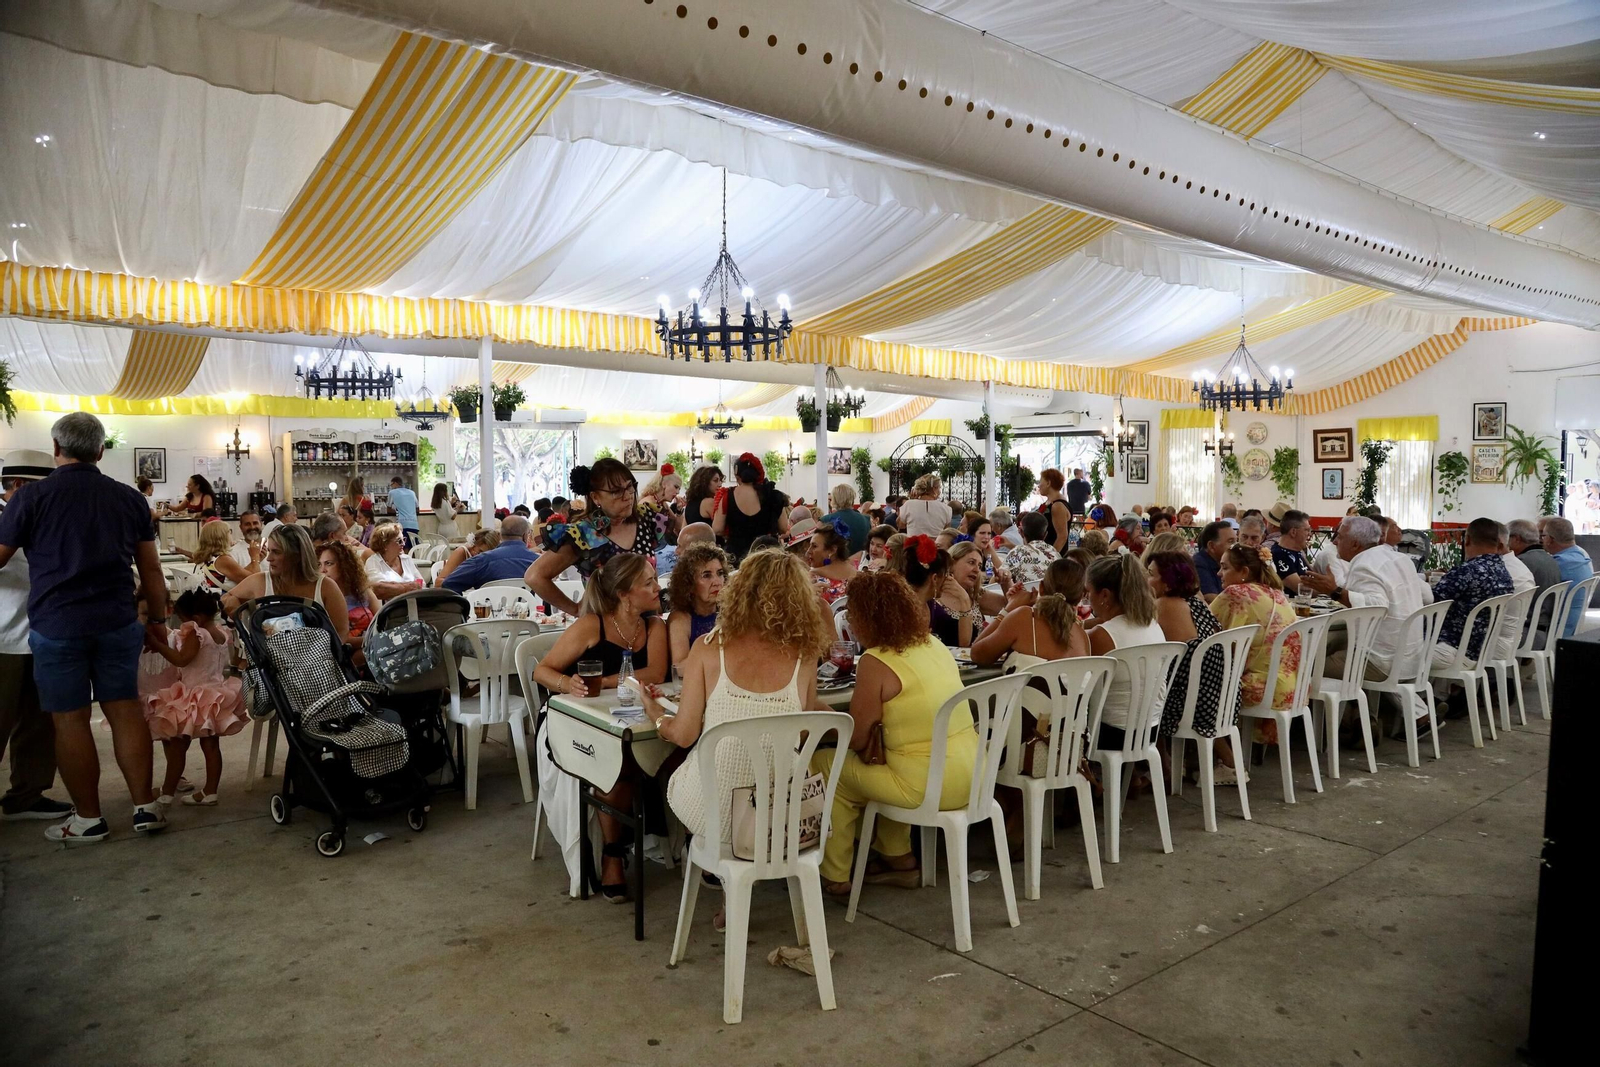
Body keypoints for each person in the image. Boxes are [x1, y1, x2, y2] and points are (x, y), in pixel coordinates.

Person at [0, 413, 171, 841]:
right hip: (116, 621)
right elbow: (151, 568)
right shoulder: (129, 498)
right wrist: (160, 622)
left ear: (56, 448)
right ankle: (145, 806)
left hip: (57, 626)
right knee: (125, 710)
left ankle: (89, 818)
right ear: (100, 451)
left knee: (69, 721)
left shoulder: (29, 499)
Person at [649, 550, 830, 856]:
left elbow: (683, 735)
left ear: (740, 591)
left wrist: (655, 715)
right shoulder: (805, 655)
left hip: (715, 815)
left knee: (685, 768)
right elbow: (801, 730)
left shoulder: (708, 648)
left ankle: (719, 872)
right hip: (785, 815)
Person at [816, 569, 973, 896]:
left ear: (863, 618)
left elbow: (857, 739)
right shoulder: (933, 644)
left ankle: (836, 874)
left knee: (827, 764)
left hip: (926, 786)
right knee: (893, 758)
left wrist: (820, 711)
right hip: (973, 775)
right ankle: (897, 858)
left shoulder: (875, 661)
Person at [531, 554, 668, 901]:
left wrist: (606, 682)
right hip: (574, 721)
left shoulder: (654, 626)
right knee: (616, 763)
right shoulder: (592, 625)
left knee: (651, 753)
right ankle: (613, 851)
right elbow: (542, 671)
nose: (657, 587)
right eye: (649, 582)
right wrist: (569, 685)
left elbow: (655, 674)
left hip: (629, 719)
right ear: (624, 594)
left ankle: (624, 846)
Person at [0, 449, 71, 822]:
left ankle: (26, 795)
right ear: (20, 486)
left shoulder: (43, 517)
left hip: (44, 636)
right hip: (3, 639)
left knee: (39, 723)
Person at [138, 589, 245, 806]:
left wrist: (157, 645)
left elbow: (181, 660)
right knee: (211, 746)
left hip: (194, 696)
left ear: (196, 618)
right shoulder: (222, 634)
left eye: (183, 618)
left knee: (177, 745)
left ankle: (167, 792)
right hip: (215, 693)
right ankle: (210, 791)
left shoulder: (198, 633)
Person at [1145, 551, 1238, 779]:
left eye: (1150, 574)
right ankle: (1214, 762)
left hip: (1189, 703)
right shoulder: (1196, 602)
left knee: (1145, 694)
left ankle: (1158, 769)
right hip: (1222, 694)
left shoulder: (1164, 605)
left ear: (1166, 582)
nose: (1145, 580)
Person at [529, 459, 666, 615]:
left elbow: (651, 573)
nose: (628, 496)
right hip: (604, 628)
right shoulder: (585, 534)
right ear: (595, 497)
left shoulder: (644, 519)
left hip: (647, 625)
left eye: (630, 487)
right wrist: (575, 609)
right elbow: (534, 576)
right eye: (616, 491)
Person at [1208, 544, 1300, 747]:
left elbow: (1202, 627)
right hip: (1293, 687)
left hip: (1263, 689)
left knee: (1197, 687)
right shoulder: (1276, 593)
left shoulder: (1236, 593)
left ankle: (1217, 760)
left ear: (1244, 572)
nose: (1218, 573)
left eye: (1225, 568)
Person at [1082, 554, 1167, 749]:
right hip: (1150, 729)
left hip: (1112, 733)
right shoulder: (1152, 625)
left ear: (1104, 595)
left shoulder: (1103, 635)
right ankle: (1131, 777)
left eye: (1088, 591)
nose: (1086, 597)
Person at [223, 524, 350, 637]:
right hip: (269, 661)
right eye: (269, 551)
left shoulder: (325, 587)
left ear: (296, 555)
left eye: (276, 552)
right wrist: (232, 602)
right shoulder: (260, 581)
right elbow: (226, 597)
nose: (268, 559)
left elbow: (341, 631)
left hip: (316, 660)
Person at [971, 556, 1090, 669]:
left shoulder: (1024, 617)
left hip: (1026, 691)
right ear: (1081, 596)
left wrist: (1009, 609)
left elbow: (977, 655)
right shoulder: (1082, 636)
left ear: (1041, 587)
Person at [1430, 518, 1514, 669]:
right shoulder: (1504, 573)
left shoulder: (1466, 571)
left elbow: (1431, 601)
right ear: (1498, 543)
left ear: (1467, 539)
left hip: (1452, 649)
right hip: (1483, 649)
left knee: (1396, 648)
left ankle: (1401, 692)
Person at [712, 453, 790, 561]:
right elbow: (783, 528)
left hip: (737, 554)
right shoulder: (772, 494)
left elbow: (717, 529)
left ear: (737, 476)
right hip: (767, 554)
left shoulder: (727, 495)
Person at [900, 535, 972, 647]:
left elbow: (963, 642)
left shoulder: (930, 605)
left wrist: (964, 599)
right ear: (935, 578)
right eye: (946, 574)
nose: (949, 578)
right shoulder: (900, 606)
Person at [438, 515, 538, 593]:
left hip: (487, 618)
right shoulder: (538, 563)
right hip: (529, 617)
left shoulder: (480, 561)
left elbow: (448, 584)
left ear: (501, 536)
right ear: (525, 536)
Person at [665, 542, 729, 664]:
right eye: (707, 575)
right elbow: (680, 667)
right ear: (689, 585)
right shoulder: (680, 619)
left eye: (720, 573)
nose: (717, 582)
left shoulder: (731, 611)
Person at [1507, 517, 1561, 638]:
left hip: (1527, 632)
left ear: (1516, 539)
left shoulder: (1521, 563)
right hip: (1545, 630)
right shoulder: (1551, 559)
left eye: (1506, 539)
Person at [318, 541, 379, 649]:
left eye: (329, 563)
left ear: (344, 565)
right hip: (345, 652)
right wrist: (372, 641)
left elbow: (381, 619)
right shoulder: (321, 598)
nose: (323, 570)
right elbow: (337, 638)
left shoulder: (362, 592)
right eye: (319, 564)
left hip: (372, 647)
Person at [1541, 516, 1594, 636]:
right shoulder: (1580, 557)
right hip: (1573, 626)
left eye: (1543, 536)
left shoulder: (1559, 563)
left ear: (1550, 539)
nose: (1541, 540)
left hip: (1556, 631)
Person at [364, 522, 424, 601]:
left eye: (404, 539)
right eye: (399, 541)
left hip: (414, 605)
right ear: (385, 544)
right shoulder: (373, 562)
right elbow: (378, 589)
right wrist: (408, 587)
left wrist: (394, 588)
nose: (403, 543)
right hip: (391, 608)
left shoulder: (406, 559)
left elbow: (421, 583)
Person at [948, 541, 1006, 619]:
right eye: (971, 562)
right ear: (952, 564)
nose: (977, 570)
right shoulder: (935, 593)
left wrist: (1006, 583)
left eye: (979, 566)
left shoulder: (975, 594)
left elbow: (1011, 608)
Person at [807, 518, 858, 605]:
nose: (809, 551)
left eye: (814, 546)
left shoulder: (814, 576)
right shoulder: (857, 575)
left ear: (832, 550)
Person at [190, 520, 248, 592]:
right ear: (222, 537)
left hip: (204, 600)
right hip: (221, 601)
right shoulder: (223, 560)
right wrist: (255, 558)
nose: (231, 535)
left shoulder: (206, 558)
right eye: (229, 532)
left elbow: (240, 574)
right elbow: (250, 580)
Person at [1006, 511, 1061, 587]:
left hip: (1024, 597)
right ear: (1045, 535)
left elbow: (1000, 575)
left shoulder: (1016, 552)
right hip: (1050, 597)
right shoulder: (1055, 553)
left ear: (1021, 532)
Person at [434, 529, 500, 588]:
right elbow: (438, 583)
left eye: (488, 553)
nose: (483, 556)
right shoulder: (461, 553)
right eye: (480, 552)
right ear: (474, 546)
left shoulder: (493, 558)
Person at [1269, 509, 1314, 594]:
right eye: (1307, 530)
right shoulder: (1279, 555)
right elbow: (1300, 588)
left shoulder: (1297, 552)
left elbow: (1315, 577)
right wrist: (1330, 589)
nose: (1310, 534)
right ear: (1293, 532)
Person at [820, 483, 870, 556]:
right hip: (860, 562)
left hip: (834, 564)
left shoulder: (825, 520)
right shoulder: (866, 519)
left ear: (835, 499)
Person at [898, 473, 951, 537]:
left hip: (913, 545)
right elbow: (946, 531)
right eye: (939, 488)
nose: (940, 491)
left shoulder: (909, 504)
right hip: (935, 545)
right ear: (934, 489)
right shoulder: (946, 508)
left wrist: (911, 500)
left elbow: (901, 525)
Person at [1193, 520, 1234, 601]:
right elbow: (1211, 599)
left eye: (1236, 541)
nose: (1235, 546)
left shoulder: (1226, 562)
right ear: (1211, 546)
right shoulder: (1198, 564)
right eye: (1230, 542)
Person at [1037, 468, 1073, 553]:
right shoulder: (1050, 503)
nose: (1039, 485)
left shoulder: (1058, 506)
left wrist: (1050, 558)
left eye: (1040, 481)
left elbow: (1062, 536)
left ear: (1048, 483)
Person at [386, 477, 420, 548]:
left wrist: (396, 511)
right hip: (414, 525)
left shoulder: (392, 492)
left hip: (403, 525)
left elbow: (388, 510)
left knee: (404, 549)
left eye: (391, 485)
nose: (391, 487)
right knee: (413, 549)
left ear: (395, 483)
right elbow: (417, 509)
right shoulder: (412, 492)